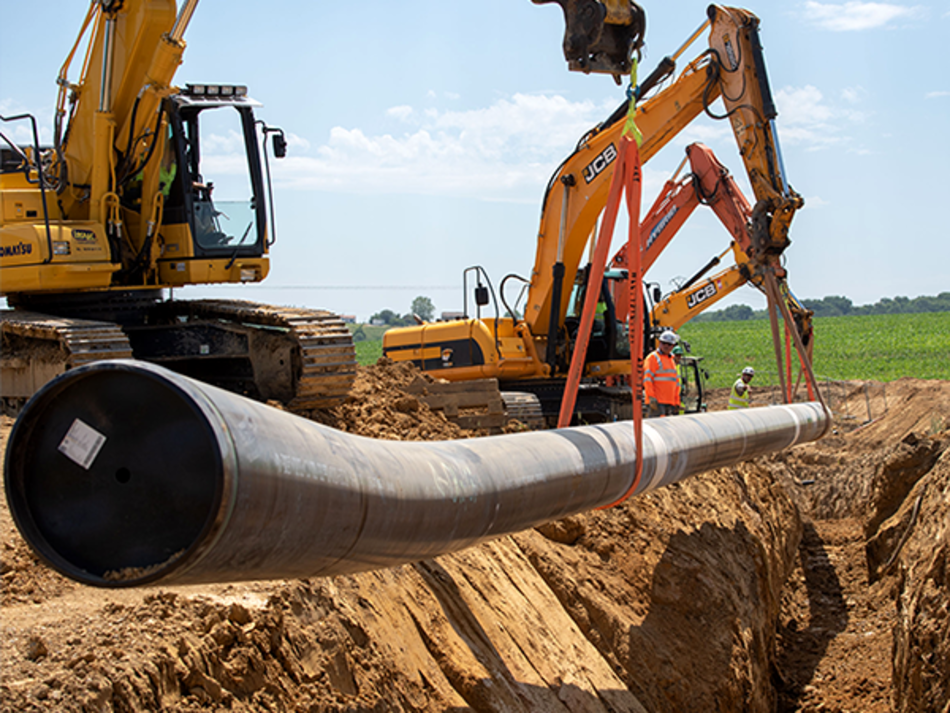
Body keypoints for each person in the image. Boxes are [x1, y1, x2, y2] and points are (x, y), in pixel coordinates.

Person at [644, 330, 681, 417]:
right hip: (657, 402)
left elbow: (676, 383)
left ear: (673, 346)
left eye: (669, 344)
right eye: (664, 343)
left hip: (669, 402)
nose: (666, 346)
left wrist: (676, 402)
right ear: (659, 342)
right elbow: (647, 380)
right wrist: (651, 397)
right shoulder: (652, 358)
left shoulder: (671, 360)